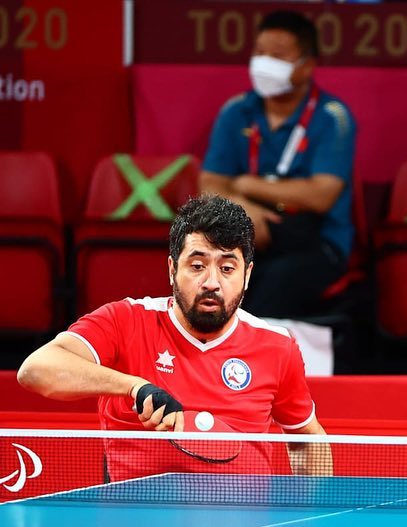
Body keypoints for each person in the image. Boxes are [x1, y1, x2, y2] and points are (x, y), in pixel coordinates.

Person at [17, 195, 332, 479]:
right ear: (171, 269)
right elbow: (36, 370)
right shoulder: (127, 320)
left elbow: (305, 438)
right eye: (197, 265)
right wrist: (133, 385)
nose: (211, 282)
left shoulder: (277, 346)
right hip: (137, 523)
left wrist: (311, 521)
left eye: (227, 268)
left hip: (243, 524)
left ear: (247, 275)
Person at [199, 10, 356, 319]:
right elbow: (210, 184)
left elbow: (320, 195)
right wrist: (242, 213)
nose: (264, 63)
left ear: (307, 65)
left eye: (278, 56)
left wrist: (246, 185)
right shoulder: (236, 111)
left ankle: (250, 365)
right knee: (213, 277)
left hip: (317, 241)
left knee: (276, 281)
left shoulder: (332, 116)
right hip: (250, 236)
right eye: (259, 53)